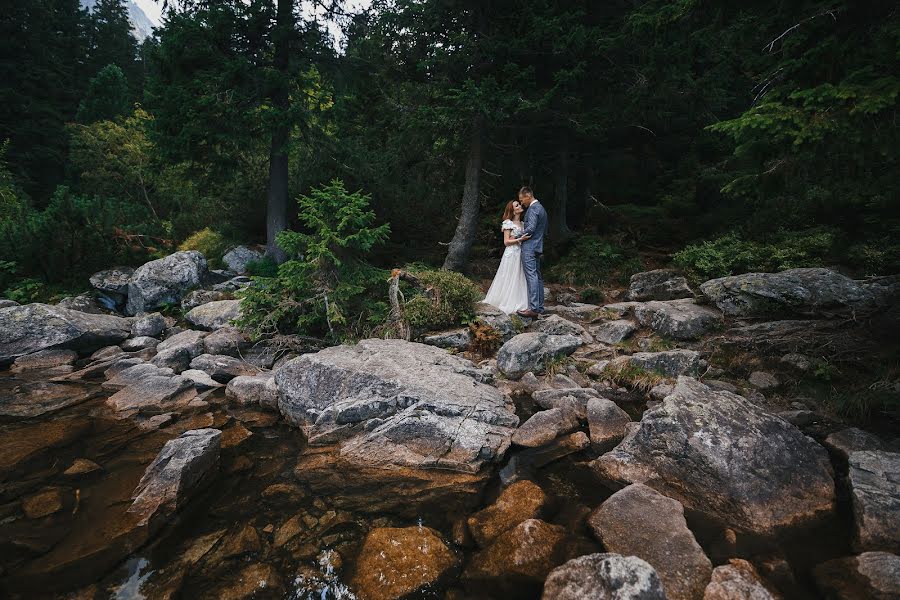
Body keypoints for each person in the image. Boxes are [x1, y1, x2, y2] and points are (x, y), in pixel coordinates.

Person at [482, 200, 529, 314]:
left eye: (519, 204)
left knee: (519, 275)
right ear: (512, 210)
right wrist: (519, 239)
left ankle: (519, 300)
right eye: (516, 205)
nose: (519, 206)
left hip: (520, 252)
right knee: (509, 275)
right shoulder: (508, 223)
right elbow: (506, 242)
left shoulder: (523, 224)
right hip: (512, 253)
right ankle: (506, 300)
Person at [516, 186, 547, 318]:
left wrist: (517, 236)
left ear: (528, 195)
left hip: (529, 247)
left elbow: (530, 228)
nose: (522, 203)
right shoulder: (541, 208)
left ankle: (534, 308)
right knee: (538, 276)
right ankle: (539, 307)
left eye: (522, 200)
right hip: (538, 246)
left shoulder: (534, 209)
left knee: (532, 276)